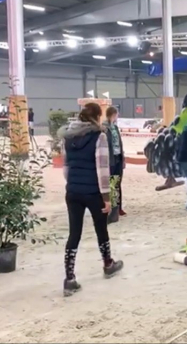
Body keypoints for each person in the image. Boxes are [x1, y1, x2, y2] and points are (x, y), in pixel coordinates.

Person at [59, 103, 124, 296]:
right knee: (101, 229)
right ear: (96, 116)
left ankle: (69, 279)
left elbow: (66, 168)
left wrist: (74, 184)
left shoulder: (68, 138)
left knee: (74, 234)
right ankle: (107, 264)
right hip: (94, 192)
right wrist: (107, 197)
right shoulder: (99, 136)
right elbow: (102, 170)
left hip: (72, 192)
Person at [103, 107, 126, 217]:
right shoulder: (104, 128)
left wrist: (123, 158)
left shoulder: (115, 127)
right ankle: (113, 208)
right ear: (113, 114)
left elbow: (119, 144)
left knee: (117, 183)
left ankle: (118, 207)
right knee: (112, 183)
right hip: (110, 159)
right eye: (117, 114)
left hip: (118, 158)